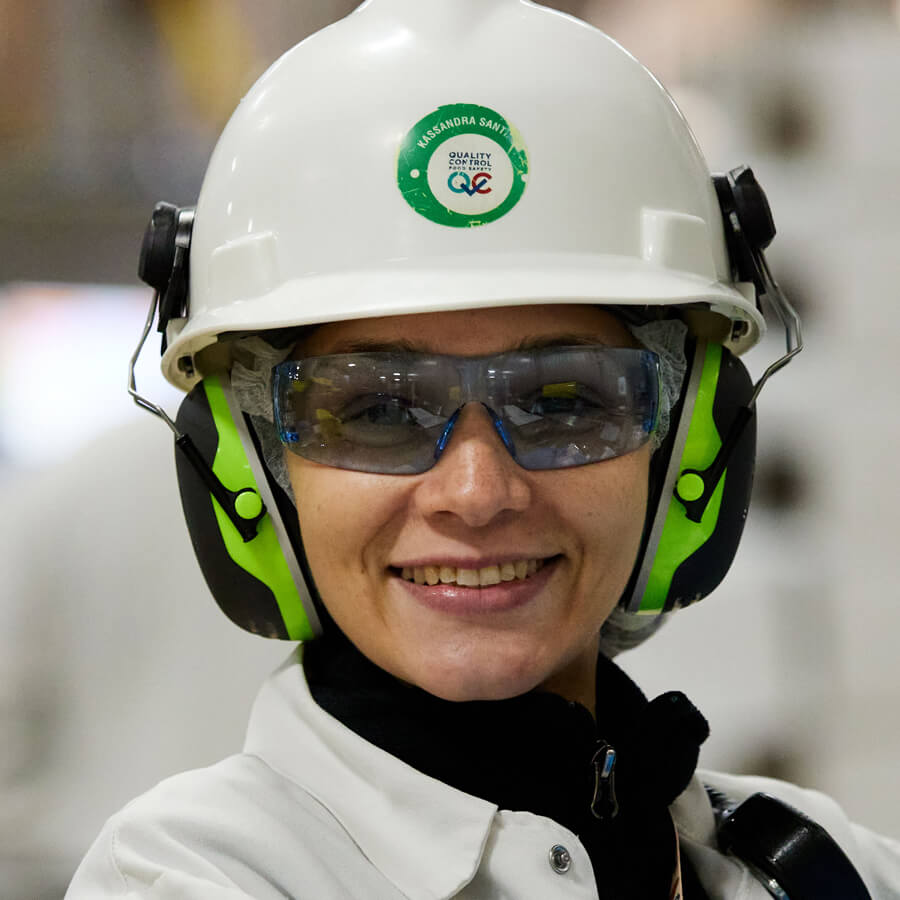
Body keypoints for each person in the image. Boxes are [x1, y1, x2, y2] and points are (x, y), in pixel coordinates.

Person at [67, 0, 900, 897]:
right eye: (379, 412)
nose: (475, 491)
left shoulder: (827, 869)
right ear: (254, 472)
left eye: (564, 402)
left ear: (686, 448)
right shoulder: (186, 876)